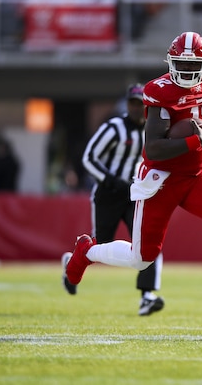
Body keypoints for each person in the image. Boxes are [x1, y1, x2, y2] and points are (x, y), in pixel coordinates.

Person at [62, 31, 202, 333]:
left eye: (192, 66)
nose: (186, 72)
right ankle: (86, 252)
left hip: (196, 175)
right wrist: (195, 141)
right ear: (170, 62)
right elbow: (153, 146)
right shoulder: (160, 91)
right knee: (141, 259)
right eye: (180, 64)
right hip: (161, 179)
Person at [62, 83, 165, 316]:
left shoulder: (154, 130)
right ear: (127, 105)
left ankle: (147, 296)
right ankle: (72, 263)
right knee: (100, 245)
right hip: (108, 194)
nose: (137, 108)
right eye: (133, 103)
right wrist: (109, 180)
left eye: (141, 104)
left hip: (135, 195)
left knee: (148, 240)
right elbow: (89, 158)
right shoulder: (115, 127)